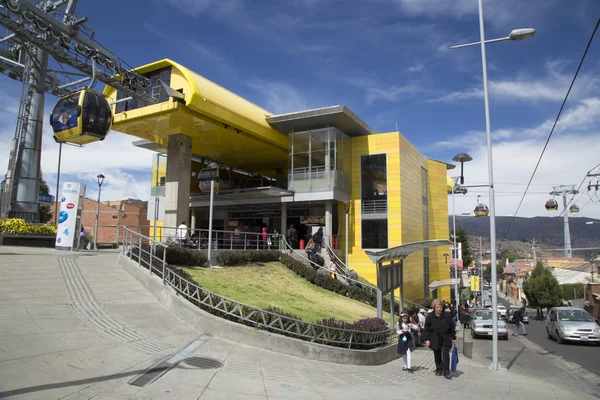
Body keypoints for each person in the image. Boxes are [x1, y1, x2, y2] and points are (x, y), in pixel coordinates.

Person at [423, 299, 457, 379]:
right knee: (437, 353)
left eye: (440, 307)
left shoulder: (447, 316)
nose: (439, 309)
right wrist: (427, 339)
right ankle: (439, 369)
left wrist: (453, 337)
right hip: (435, 338)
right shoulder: (430, 317)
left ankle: (446, 371)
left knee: (445, 353)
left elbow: (452, 327)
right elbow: (426, 329)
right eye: (437, 307)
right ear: (434, 308)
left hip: (445, 338)